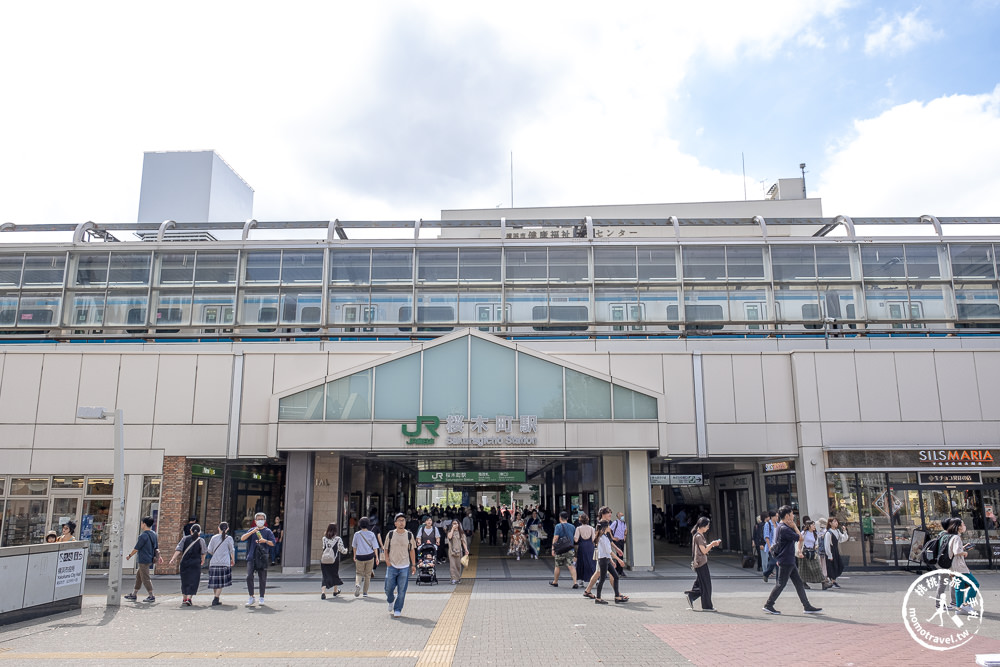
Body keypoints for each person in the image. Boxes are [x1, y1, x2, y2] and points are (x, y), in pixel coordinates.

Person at [762, 505, 822, 616]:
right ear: (787, 515)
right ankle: (769, 605)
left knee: (798, 583)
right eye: (792, 514)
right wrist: (794, 526)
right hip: (786, 560)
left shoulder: (781, 526)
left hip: (788, 559)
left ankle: (807, 606)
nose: (793, 516)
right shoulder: (784, 528)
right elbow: (800, 538)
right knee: (781, 584)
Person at [583, 507, 626, 600]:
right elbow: (603, 541)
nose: (610, 514)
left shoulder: (606, 524)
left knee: (600, 573)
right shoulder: (601, 525)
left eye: (610, 513)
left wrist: (617, 548)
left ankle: (588, 591)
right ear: (603, 514)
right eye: (608, 513)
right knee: (606, 574)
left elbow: (609, 540)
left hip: (605, 553)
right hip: (603, 554)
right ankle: (616, 594)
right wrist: (616, 556)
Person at [384, 513, 417, 618]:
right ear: (395, 523)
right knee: (388, 588)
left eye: (403, 520)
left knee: (402, 590)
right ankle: (390, 600)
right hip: (392, 565)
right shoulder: (390, 534)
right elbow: (386, 549)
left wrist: (413, 564)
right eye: (399, 520)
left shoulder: (409, 535)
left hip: (404, 566)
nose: (401, 522)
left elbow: (412, 550)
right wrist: (387, 561)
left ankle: (398, 609)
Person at [239, 512, 275, 607]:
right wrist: (252, 532)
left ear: (265, 520)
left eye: (262, 519)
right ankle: (251, 596)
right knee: (249, 576)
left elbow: (273, 543)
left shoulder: (268, 531)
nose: (260, 521)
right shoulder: (252, 530)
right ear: (255, 521)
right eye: (258, 519)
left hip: (262, 557)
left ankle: (262, 597)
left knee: (262, 578)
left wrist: (265, 541)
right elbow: (242, 538)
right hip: (251, 557)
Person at [685, 516, 721, 611]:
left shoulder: (698, 535)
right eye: (707, 526)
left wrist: (712, 544)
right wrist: (712, 544)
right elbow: (704, 550)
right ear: (702, 526)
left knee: (701, 584)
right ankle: (706, 606)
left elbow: (703, 549)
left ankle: (692, 595)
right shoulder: (698, 536)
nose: (708, 528)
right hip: (701, 563)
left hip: (700, 562)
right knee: (706, 585)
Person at [124, 516, 163, 603]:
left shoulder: (143, 536)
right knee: (139, 577)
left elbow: (137, 548)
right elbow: (156, 547)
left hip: (143, 560)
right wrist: (159, 557)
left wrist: (129, 555)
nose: (141, 524)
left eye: (141, 523)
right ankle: (134, 594)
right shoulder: (154, 534)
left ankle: (151, 595)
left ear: (144, 524)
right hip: (149, 559)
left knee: (145, 578)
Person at [946, 519, 979, 614]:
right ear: (959, 527)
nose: (964, 526)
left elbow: (953, 551)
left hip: (953, 566)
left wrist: (963, 548)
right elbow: (957, 552)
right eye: (963, 524)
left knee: (959, 586)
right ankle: (966, 605)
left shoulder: (951, 537)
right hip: (959, 567)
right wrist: (964, 552)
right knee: (975, 584)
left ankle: (959, 608)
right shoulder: (956, 538)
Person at [170, 523, 206, 606]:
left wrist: (173, 559)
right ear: (200, 532)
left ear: (190, 531)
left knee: (185, 581)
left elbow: (178, 549)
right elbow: (203, 552)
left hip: (185, 563)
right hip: (195, 563)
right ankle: (189, 598)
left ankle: (184, 598)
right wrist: (203, 560)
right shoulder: (201, 540)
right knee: (193, 581)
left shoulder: (185, 539)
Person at [592, 520, 626, 604]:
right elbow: (608, 551)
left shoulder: (604, 536)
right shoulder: (602, 538)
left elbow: (607, 552)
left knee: (615, 576)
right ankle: (598, 598)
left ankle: (617, 596)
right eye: (608, 526)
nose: (609, 527)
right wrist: (619, 559)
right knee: (602, 579)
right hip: (603, 560)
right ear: (605, 528)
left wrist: (611, 560)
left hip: (606, 559)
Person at [206, 522, 235, 606]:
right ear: (228, 529)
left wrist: (216, 554)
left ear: (218, 528)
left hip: (214, 562)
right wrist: (232, 560)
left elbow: (209, 550)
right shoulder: (229, 538)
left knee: (215, 582)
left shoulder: (214, 538)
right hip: (224, 563)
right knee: (220, 582)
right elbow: (232, 550)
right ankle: (216, 598)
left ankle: (216, 597)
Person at [351, 517, 380, 598]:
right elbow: (375, 547)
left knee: (359, 573)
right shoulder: (371, 534)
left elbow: (354, 546)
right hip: (369, 556)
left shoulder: (357, 534)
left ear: (360, 524)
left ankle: (357, 584)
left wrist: (354, 555)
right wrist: (377, 557)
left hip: (359, 556)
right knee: (367, 575)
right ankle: (365, 592)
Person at [550, 511, 578, 588]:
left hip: (560, 549)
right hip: (570, 549)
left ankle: (555, 582)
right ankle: (575, 582)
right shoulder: (572, 527)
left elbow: (555, 538)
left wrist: (553, 548)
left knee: (557, 565)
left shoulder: (558, 526)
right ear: (567, 518)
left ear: (560, 518)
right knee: (571, 565)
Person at [320, 522, 348, 598]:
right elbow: (342, 550)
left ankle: (323, 592)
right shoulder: (338, 539)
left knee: (325, 575)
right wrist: (346, 550)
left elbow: (323, 548)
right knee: (334, 574)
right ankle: (335, 591)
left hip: (324, 560)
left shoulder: (324, 538)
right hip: (333, 560)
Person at [823, 516, 849, 589]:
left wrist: (844, 531)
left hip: (836, 550)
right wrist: (829, 555)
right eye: (834, 522)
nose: (836, 523)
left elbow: (842, 539)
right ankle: (832, 581)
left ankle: (829, 580)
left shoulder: (837, 531)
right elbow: (827, 545)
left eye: (836, 521)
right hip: (831, 551)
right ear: (830, 523)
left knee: (839, 565)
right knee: (832, 567)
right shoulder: (828, 533)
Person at [797, 519, 824, 588]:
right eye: (812, 525)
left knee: (817, 567)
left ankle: (823, 582)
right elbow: (799, 542)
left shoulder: (815, 534)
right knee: (803, 569)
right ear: (808, 526)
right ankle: (803, 582)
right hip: (805, 552)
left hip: (812, 552)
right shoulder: (804, 533)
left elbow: (816, 543)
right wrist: (799, 551)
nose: (814, 526)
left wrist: (816, 546)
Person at [574, 514, 596, 587]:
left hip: (582, 546)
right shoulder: (591, 528)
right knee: (591, 562)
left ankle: (580, 580)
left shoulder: (578, 528)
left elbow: (576, 539)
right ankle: (594, 579)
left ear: (580, 520)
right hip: (590, 546)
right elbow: (593, 539)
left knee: (581, 563)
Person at [446, 517, 469, 584]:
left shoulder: (461, 533)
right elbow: (449, 537)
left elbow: (463, 542)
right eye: (453, 524)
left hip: (459, 551)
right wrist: (452, 529)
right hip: (451, 551)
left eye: (456, 523)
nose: (455, 525)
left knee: (458, 565)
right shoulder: (450, 531)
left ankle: (458, 578)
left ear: (459, 524)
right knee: (452, 565)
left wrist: (466, 550)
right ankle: (453, 578)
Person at [761, 510, 779, 582]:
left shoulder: (778, 525)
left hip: (777, 547)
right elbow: (766, 537)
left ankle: (778, 580)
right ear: (772, 517)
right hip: (771, 546)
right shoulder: (767, 524)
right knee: (773, 562)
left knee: (778, 563)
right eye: (776, 516)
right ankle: (766, 573)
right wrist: (769, 547)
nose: (777, 518)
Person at [610, 512, 628, 577]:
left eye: (623, 515)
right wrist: (613, 538)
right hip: (617, 541)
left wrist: (625, 536)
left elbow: (626, 529)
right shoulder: (615, 522)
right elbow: (609, 529)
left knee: (621, 555)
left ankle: (619, 570)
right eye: (621, 515)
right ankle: (619, 571)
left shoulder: (624, 523)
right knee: (619, 555)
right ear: (618, 516)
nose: (622, 517)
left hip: (622, 540)